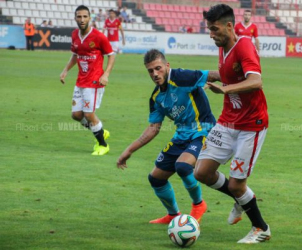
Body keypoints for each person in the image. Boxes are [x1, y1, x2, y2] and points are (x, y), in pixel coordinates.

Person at [195, 4, 271, 244]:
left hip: (251, 124)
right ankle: (241, 199)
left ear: (229, 26)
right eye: (209, 29)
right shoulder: (223, 47)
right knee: (202, 172)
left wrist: (225, 89)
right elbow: (223, 74)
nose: (211, 34)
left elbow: (256, 81)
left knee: (238, 184)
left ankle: (261, 228)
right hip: (228, 121)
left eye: (214, 29)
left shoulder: (244, 45)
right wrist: (186, 76)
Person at [117, 49, 220, 224]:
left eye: (158, 68)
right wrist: (129, 150)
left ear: (167, 66)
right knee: (155, 178)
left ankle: (198, 205)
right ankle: (173, 214)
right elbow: (153, 128)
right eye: (150, 71)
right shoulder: (157, 97)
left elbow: (214, 75)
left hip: (204, 130)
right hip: (182, 135)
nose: (155, 74)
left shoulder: (182, 77)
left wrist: (242, 81)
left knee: (182, 166)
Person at [59, 5, 116, 156]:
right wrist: (65, 70)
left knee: (89, 115)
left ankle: (103, 145)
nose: (82, 19)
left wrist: (106, 74)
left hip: (95, 81)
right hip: (80, 81)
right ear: (75, 18)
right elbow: (75, 55)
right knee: (76, 115)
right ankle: (100, 131)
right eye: (79, 16)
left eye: (85, 16)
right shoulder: (74, 35)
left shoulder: (98, 36)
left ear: (90, 18)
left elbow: (111, 54)